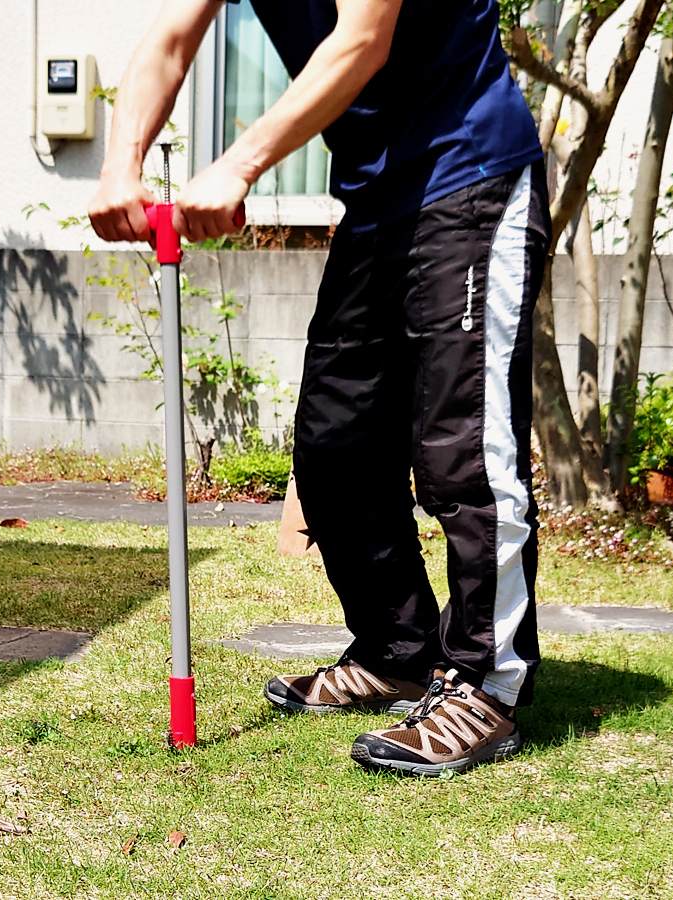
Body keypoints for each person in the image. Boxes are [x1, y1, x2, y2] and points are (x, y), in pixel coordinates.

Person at [89, 0, 551, 777]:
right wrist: (117, 167)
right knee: (334, 446)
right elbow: (168, 42)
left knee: (462, 448)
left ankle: (485, 682)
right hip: (376, 205)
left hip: (470, 174)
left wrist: (238, 163)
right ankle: (398, 651)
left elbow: (362, 40)